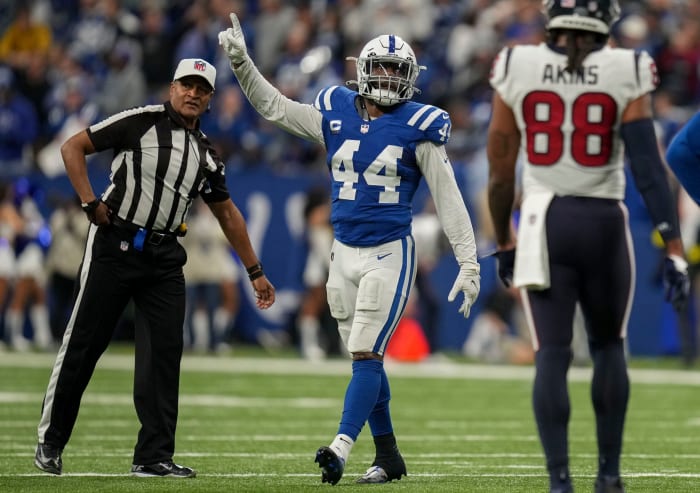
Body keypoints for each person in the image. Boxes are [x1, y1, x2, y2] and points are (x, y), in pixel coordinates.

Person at [219, 14, 481, 485]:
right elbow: (274, 107)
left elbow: (448, 196)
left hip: (389, 251)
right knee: (366, 358)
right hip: (342, 251)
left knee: (365, 352)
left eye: (397, 72)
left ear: (411, 79)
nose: (388, 79)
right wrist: (241, 62)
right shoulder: (335, 110)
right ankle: (389, 457)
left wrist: (468, 260)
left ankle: (340, 447)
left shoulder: (418, 126)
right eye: (380, 68)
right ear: (363, 69)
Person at [33, 57, 276, 478]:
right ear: (172, 86)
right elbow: (73, 147)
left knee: (164, 355)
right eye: (187, 84)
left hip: (164, 256)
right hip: (115, 244)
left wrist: (255, 271)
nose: (193, 93)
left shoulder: (206, 155)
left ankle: (153, 456)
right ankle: (50, 442)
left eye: (201, 89)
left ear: (210, 99)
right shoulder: (140, 121)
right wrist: (91, 203)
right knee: (84, 343)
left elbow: (228, 214)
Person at [486, 2, 690, 493]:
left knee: (552, 354)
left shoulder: (518, 63)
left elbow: (499, 169)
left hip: (545, 221)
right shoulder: (626, 66)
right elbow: (646, 166)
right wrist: (675, 246)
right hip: (603, 221)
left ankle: (560, 482)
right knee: (609, 348)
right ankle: (609, 477)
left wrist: (503, 239)